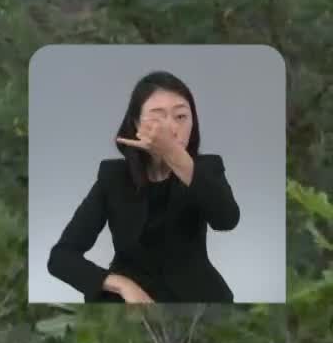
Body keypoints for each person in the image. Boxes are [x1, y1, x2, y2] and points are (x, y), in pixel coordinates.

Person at [46, 70, 241, 303]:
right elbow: (61, 257)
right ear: (137, 123)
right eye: (158, 117)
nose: (171, 128)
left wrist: (172, 153)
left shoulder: (206, 168)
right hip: (127, 301)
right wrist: (121, 285)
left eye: (181, 117)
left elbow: (226, 220)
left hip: (196, 296)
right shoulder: (113, 176)